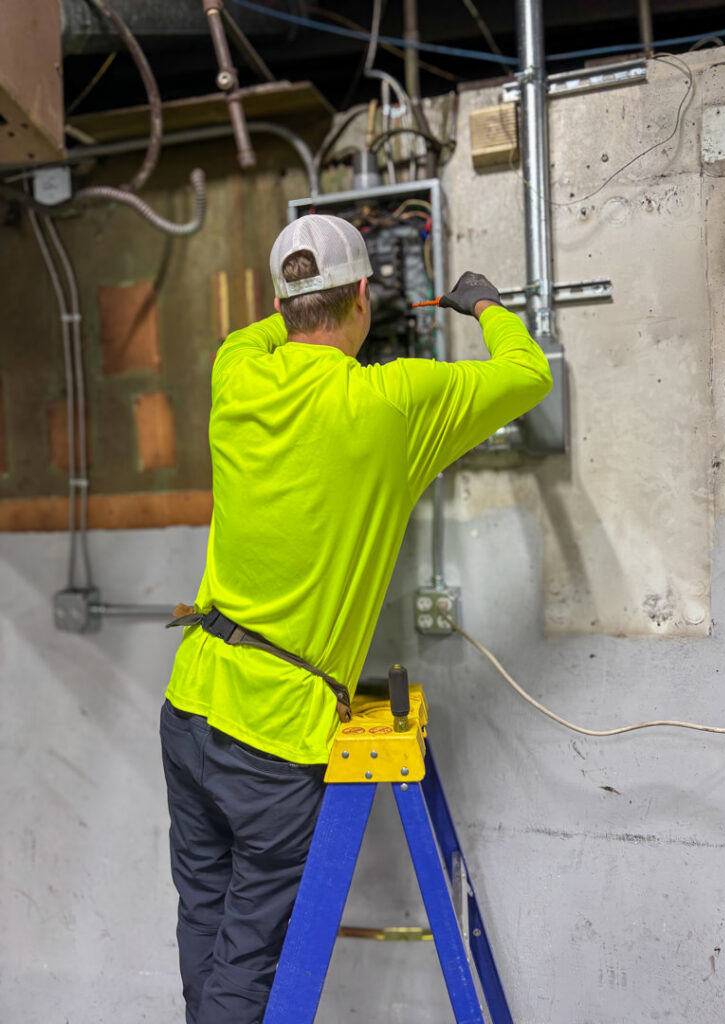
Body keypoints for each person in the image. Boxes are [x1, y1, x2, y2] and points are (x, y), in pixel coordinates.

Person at [159, 213, 552, 1024]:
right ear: (365, 294)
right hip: (274, 739)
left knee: (204, 918)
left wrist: (306, 306)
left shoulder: (236, 371)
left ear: (282, 302)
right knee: (249, 959)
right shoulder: (394, 401)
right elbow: (527, 374)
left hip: (191, 704)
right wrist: (484, 304)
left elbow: (263, 333)